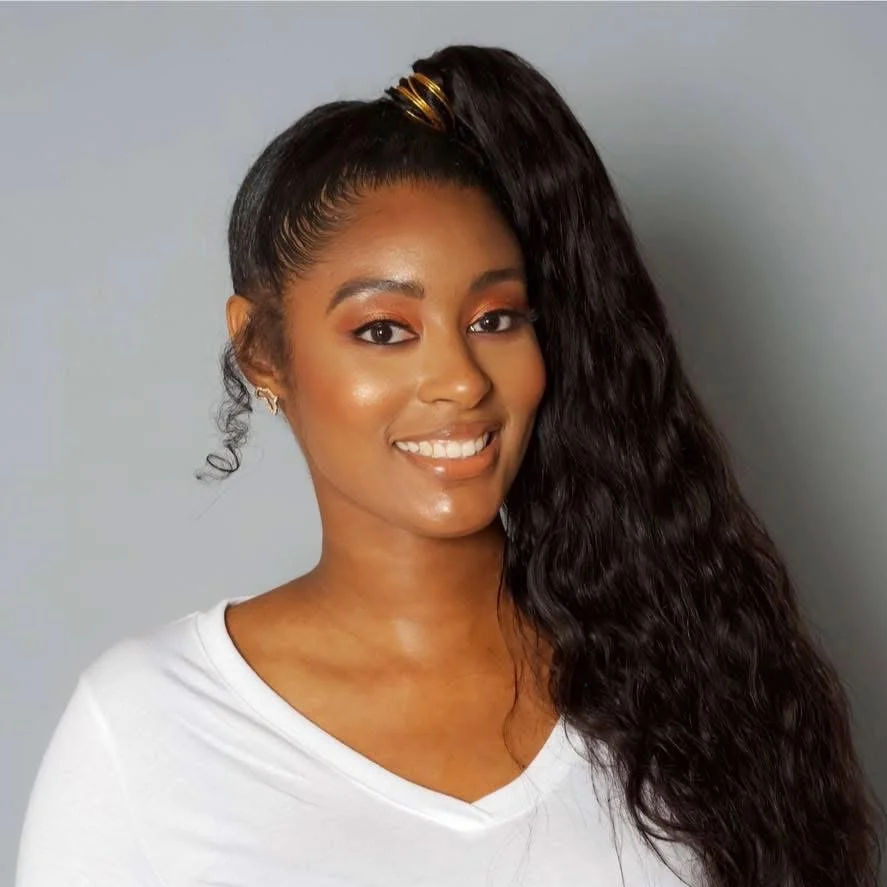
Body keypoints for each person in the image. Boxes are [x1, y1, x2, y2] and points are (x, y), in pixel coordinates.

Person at [15, 45, 883, 887]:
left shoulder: (690, 672)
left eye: (496, 319)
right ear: (261, 352)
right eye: (384, 330)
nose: (459, 380)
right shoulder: (149, 727)